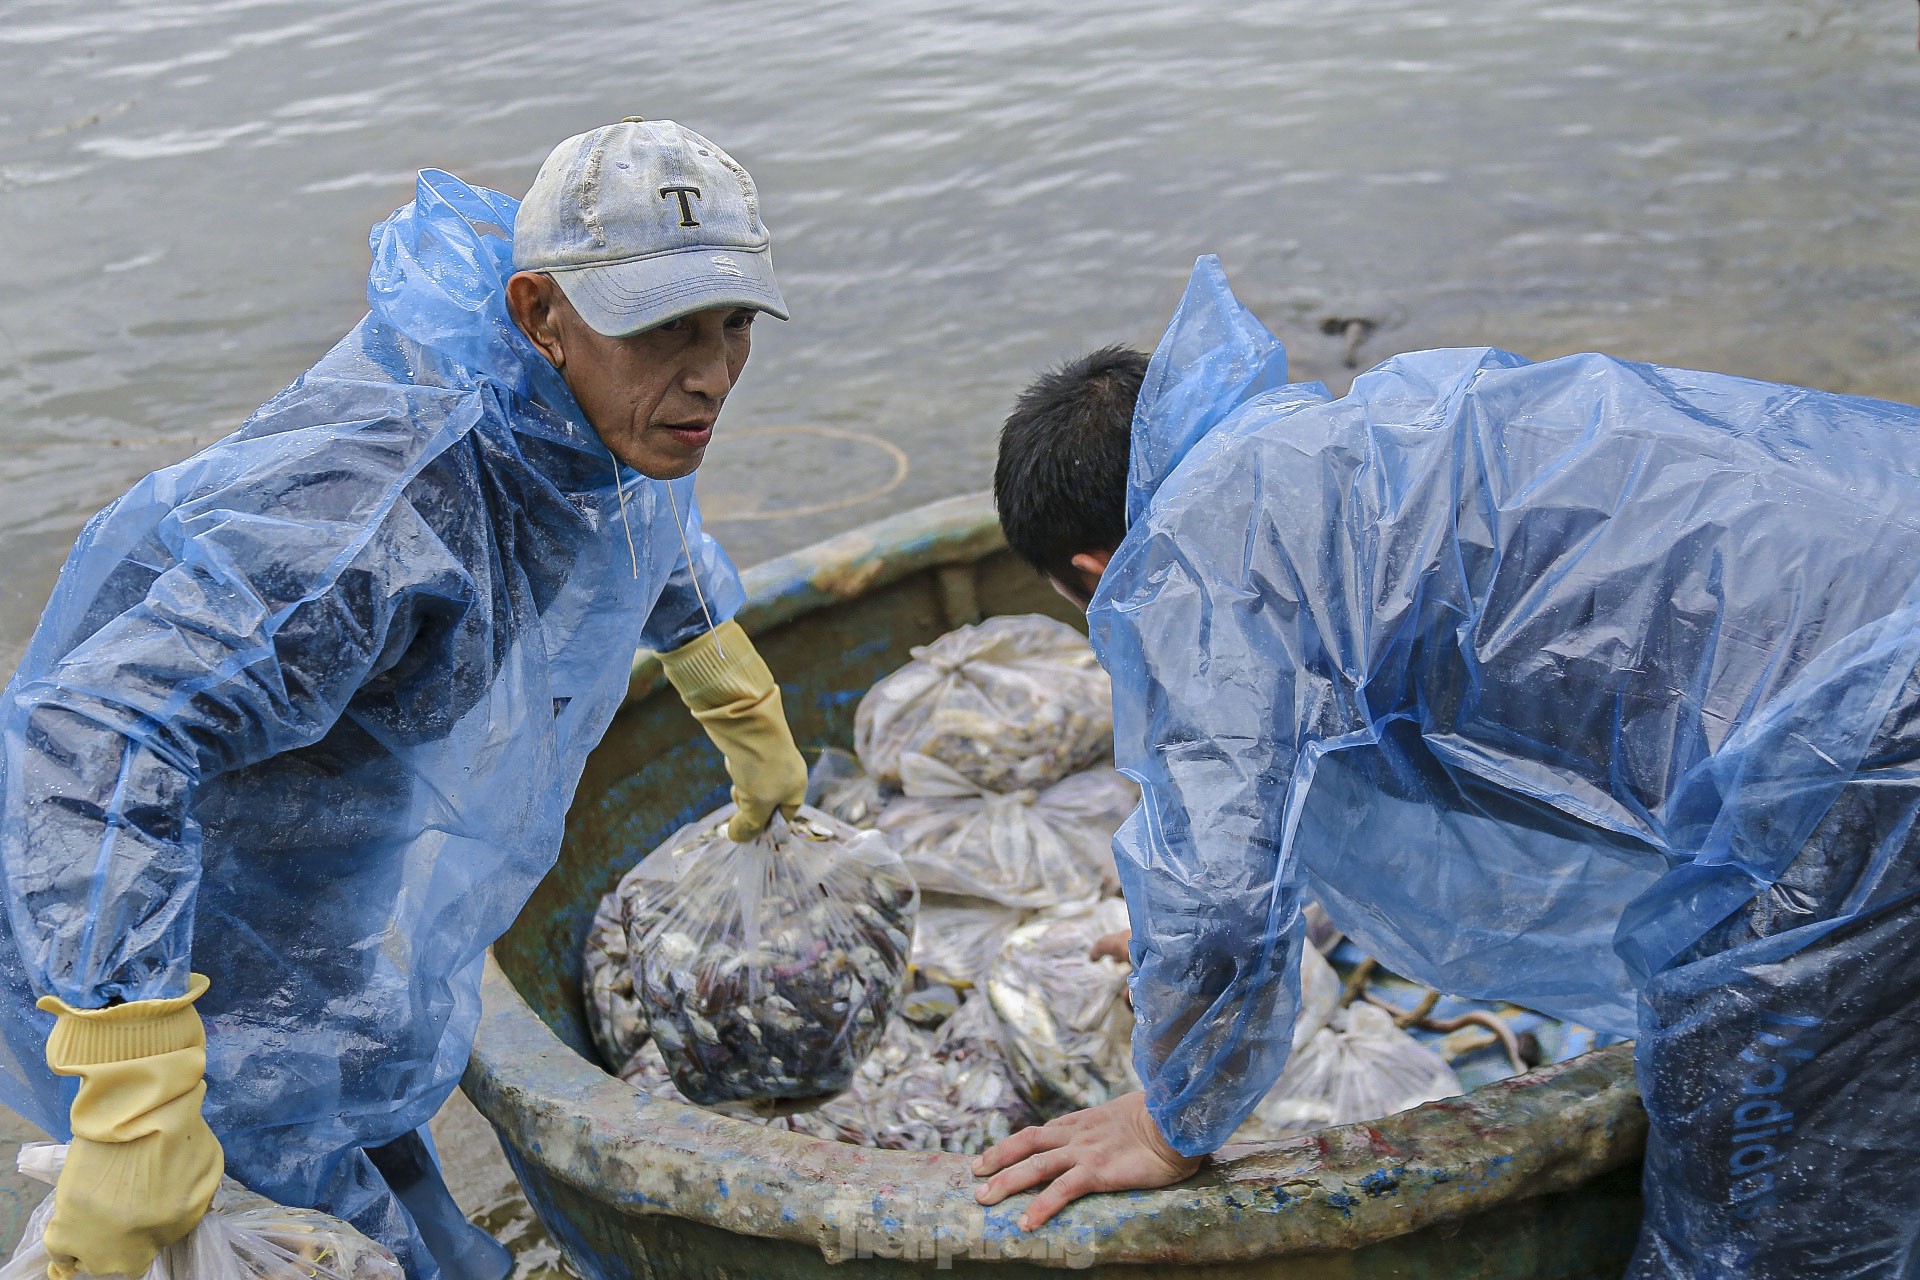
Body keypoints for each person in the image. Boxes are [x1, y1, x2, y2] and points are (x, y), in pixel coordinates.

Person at [976, 254, 1920, 1278]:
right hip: (1887, 521)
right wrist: (1283, 894)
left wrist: (1170, 1121)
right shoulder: (1363, 438)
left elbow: (1215, 900)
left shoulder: (1197, 564)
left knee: (1757, 1142)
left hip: (1865, 724)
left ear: (1093, 572)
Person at [0, 118, 810, 1279]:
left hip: (319, 901)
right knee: (288, 1210)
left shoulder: (591, 417)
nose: (714, 374)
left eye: (736, 323)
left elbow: (639, 525)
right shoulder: (380, 508)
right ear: (543, 312)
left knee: (375, 1151)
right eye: (669, 327)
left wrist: (732, 692)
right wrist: (132, 1073)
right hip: (159, 923)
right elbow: (99, 739)